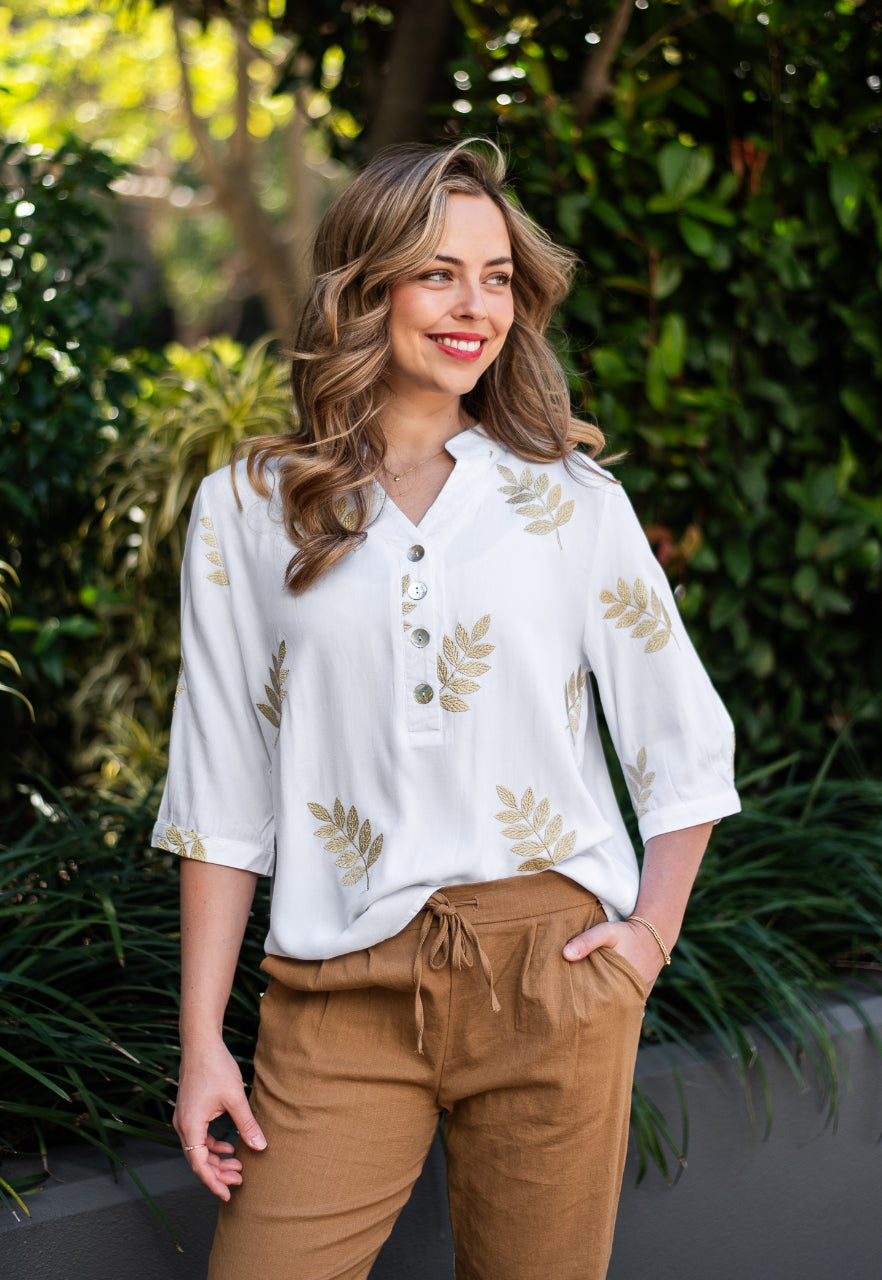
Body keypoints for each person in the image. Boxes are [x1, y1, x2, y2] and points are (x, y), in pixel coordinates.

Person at [153, 138, 740, 1280]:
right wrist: (200, 1046)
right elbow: (220, 795)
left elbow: (684, 750)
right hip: (335, 998)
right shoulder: (245, 507)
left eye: (497, 276)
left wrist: (643, 949)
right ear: (365, 287)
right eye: (438, 272)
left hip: (550, 974)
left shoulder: (571, 502)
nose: (475, 306)